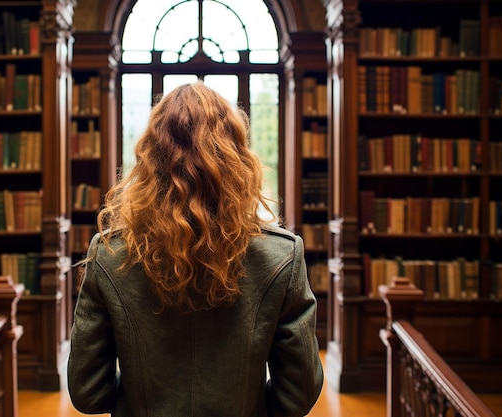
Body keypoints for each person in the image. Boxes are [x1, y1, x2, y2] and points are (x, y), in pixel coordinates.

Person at [67, 81, 323, 417]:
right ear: (236, 159)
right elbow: (298, 393)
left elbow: (88, 393)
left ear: (150, 160)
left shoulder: (111, 253)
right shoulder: (281, 256)